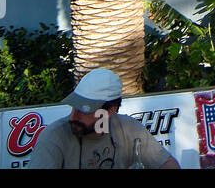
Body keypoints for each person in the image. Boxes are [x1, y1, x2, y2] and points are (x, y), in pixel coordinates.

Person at [29, 69, 179, 169]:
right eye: (74, 107)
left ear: (110, 111)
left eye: (85, 111)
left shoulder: (127, 128)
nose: (74, 116)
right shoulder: (55, 137)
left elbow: (168, 164)